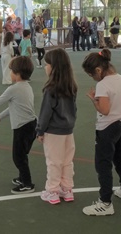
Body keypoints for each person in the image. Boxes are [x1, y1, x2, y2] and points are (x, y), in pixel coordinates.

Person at [81, 49, 121, 216]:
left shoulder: (102, 84)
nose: (93, 78)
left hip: (107, 128)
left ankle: (105, 202)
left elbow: (104, 110)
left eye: (92, 75)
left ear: (98, 70)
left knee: (103, 164)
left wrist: (94, 100)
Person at [0, 56, 37, 194]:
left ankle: (27, 183)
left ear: (18, 74)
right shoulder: (26, 87)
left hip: (23, 127)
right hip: (30, 125)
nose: (10, 74)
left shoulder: (14, 89)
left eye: (11, 71)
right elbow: (13, 107)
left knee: (18, 156)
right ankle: (23, 178)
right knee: (21, 155)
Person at [36, 48, 78, 205]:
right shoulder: (71, 86)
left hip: (53, 132)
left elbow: (45, 113)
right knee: (67, 161)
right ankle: (67, 190)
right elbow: (74, 109)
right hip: (68, 131)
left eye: (47, 64)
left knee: (54, 161)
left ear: (53, 67)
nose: (45, 67)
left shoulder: (50, 89)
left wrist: (40, 130)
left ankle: (52, 191)